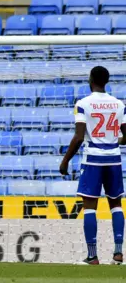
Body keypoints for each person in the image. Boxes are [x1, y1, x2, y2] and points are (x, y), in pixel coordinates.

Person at [60, 66, 126, 265]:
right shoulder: (119, 104)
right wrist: (114, 140)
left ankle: (92, 256)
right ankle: (118, 253)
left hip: (93, 160)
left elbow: (79, 137)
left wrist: (65, 161)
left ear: (91, 80)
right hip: (114, 159)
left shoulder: (83, 104)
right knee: (116, 205)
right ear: (106, 81)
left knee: (90, 206)